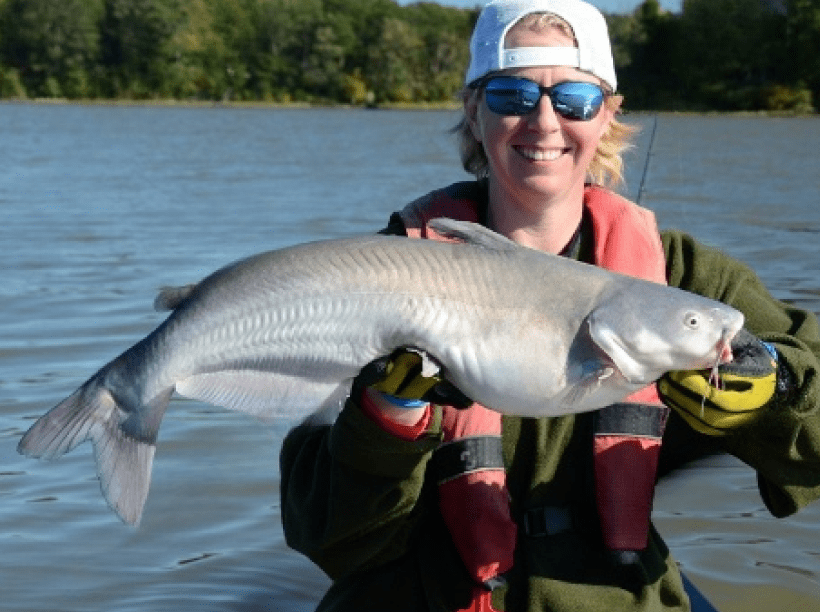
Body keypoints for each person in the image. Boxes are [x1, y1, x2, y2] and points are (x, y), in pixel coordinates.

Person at [279, 1, 820, 610]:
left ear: (608, 116)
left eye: (575, 101)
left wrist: (774, 392)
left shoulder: (684, 277)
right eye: (511, 95)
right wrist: (383, 419)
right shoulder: (385, 270)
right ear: (473, 110)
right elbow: (325, 535)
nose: (543, 122)